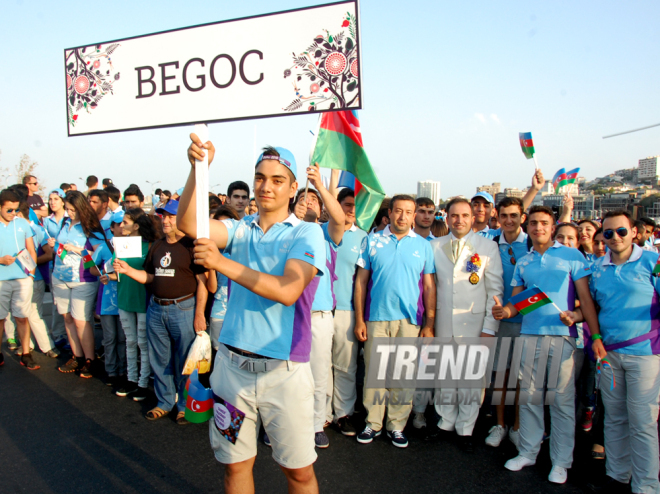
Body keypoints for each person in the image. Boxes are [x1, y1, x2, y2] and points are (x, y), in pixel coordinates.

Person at [181, 138, 326, 494]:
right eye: (260, 177)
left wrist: (220, 262)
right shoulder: (239, 228)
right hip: (232, 370)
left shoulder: (307, 232)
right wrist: (198, 170)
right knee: (235, 468)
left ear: (294, 188)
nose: (265, 186)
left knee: (299, 473)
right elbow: (187, 223)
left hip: (284, 374)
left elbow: (288, 290)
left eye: (278, 179)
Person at [492, 205, 600, 484]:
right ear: (527, 227)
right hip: (529, 335)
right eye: (534, 223)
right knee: (528, 397)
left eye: (544, 223)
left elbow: (586, 300)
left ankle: (561, 461)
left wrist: (594, 334)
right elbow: (517, 303)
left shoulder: (572, 255)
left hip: (562, 337)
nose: (538, 227)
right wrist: (505, 312)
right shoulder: (524, 262)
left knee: (561, 401)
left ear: (553, 227)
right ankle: (528, 451)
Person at [577, 210, 660, 494]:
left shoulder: (653, 261)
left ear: (634, 232)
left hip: (645, 354)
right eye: (609, 233)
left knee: (643, 421)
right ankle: (617, 474)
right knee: (614, 418)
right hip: (608, 353)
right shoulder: (597, 268)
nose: (615, 238)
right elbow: (592, 308)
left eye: (621, 231)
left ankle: (647, 485)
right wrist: (595, 337)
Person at [354, 194, 436, 449]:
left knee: (403, 376)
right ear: (389, 214)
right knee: (375, 374)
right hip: (376, 317)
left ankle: (397, 425)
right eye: (398, 211)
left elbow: (429, 286)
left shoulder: (423, 245)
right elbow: (361, 282)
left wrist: (429, 323)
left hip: (410, 321)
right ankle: (373, 423)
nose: (402, 216)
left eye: (408, 212)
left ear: (414, 215)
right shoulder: (372, 241)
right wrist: (359, 319)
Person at [115, 199, 207, 423]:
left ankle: (185, 404)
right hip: (156, 309)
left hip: (184, 309)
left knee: (186, 360)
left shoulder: (191, 245)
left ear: (182, 219)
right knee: (160, 359)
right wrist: (128, 270)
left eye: (171, 216)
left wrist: (199, 313)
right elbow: (150, 277)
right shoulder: (157, 246)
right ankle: (165, 402)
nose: (166, 221)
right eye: (163, 216)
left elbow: (203, 282)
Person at [425, 197, 503, 453]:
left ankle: (466, 428)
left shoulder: (487, 246)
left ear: (473, 218)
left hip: (474, 321)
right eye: (454, 216)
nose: (459, 221)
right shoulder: (435, 245)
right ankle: (445, 422)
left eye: (465, 216)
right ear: (446, 217)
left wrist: (490, 328)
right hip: (444, 322)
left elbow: (494, 290)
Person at [292, 164, 345, 449]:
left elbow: (339, 217)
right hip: (287, 313)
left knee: (318, 373)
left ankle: (315, 425)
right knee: (283, 372)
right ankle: (283, 423)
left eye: (313, 199)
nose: (308, 202)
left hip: (319, 316)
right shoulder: (285, 231)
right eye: (303, 199)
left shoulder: (326, 233)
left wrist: (320, 187)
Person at [485, 197, 532, 448]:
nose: (509, 220)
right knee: (500, 376)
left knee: (523, 378)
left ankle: (518, 426)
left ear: (522, 218)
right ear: (498, 217)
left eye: (514, 215)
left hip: (530, 322)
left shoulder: (535, 243)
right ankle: (501, 424)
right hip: (501, 321)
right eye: (504, 215)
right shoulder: (491, 243)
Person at [48, 191, 108, 378]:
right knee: (67, 318)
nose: (69, 213)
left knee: (81, 320)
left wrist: (79, 250)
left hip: (82, 279)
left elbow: (100, 252)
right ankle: (77, 355)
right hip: (60, 276)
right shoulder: (65, 223)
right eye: (67, 209)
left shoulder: (91, 227)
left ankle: (90, 359)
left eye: (73, 210)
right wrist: (54, 245)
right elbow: (60, 247)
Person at [325, 187, 367, 437]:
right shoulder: (320, 232)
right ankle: (321, 415)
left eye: (355, 206)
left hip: (347, 310)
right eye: (346, 205)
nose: (351, 210)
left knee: (345, 366)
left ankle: (343, 413)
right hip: (318, 310)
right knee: (319, 367)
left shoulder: (364, 238)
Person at [113, 208, 158, 401]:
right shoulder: (120, 245)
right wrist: (110, 273)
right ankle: (131, 379)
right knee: (130, 341)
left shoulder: (151, 247)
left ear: (137, 225)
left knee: (142, 343)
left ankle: (142, 382)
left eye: (125, 222)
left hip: (143, 300)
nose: (121, 226)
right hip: (124, 298)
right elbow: (119, 271)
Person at [0, 189, 39, 369]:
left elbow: (31, 250)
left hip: (22, 280)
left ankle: (26, 353)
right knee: (0, 319)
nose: (13, 213)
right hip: (1, 280)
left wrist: (31, 273)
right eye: (9, 210)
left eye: (15, 209)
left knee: (22, 317)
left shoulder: (22, 223)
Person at [91, 211, 125, 389]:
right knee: (110, 337)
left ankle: (123, 370)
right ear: (111, 228)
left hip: (125, 299)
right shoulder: (104, 247)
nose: (121, 227)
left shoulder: (131, 247)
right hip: (107, 301)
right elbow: (91, 267)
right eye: (117, 224)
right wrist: (104, 274)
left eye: (124, 223)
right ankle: (111, 371)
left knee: (123, 338)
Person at [472, 170, 545, 238]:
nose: (480, 209)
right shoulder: (462, 234)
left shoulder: (494, 236)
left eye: (486, 206)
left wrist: (534, 189)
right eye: (476, 205)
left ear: (493, 212)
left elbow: (517, 209)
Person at [207, 205, 240, 351]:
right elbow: (212, 288)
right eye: (220, 226)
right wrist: (212, 265)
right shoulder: (212, 252)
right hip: (219, 311)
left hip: (239, 312)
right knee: (219, 354)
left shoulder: (242, 250)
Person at [43, 189, 68, 347]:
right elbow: (46, 246)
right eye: (50, 199)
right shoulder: (46, 221)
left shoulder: (69, 218)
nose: (52, 202)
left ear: (63, 201)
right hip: (55, 267)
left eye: (56, 199)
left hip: (72, 268)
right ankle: (59, 334)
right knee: (57, 303)